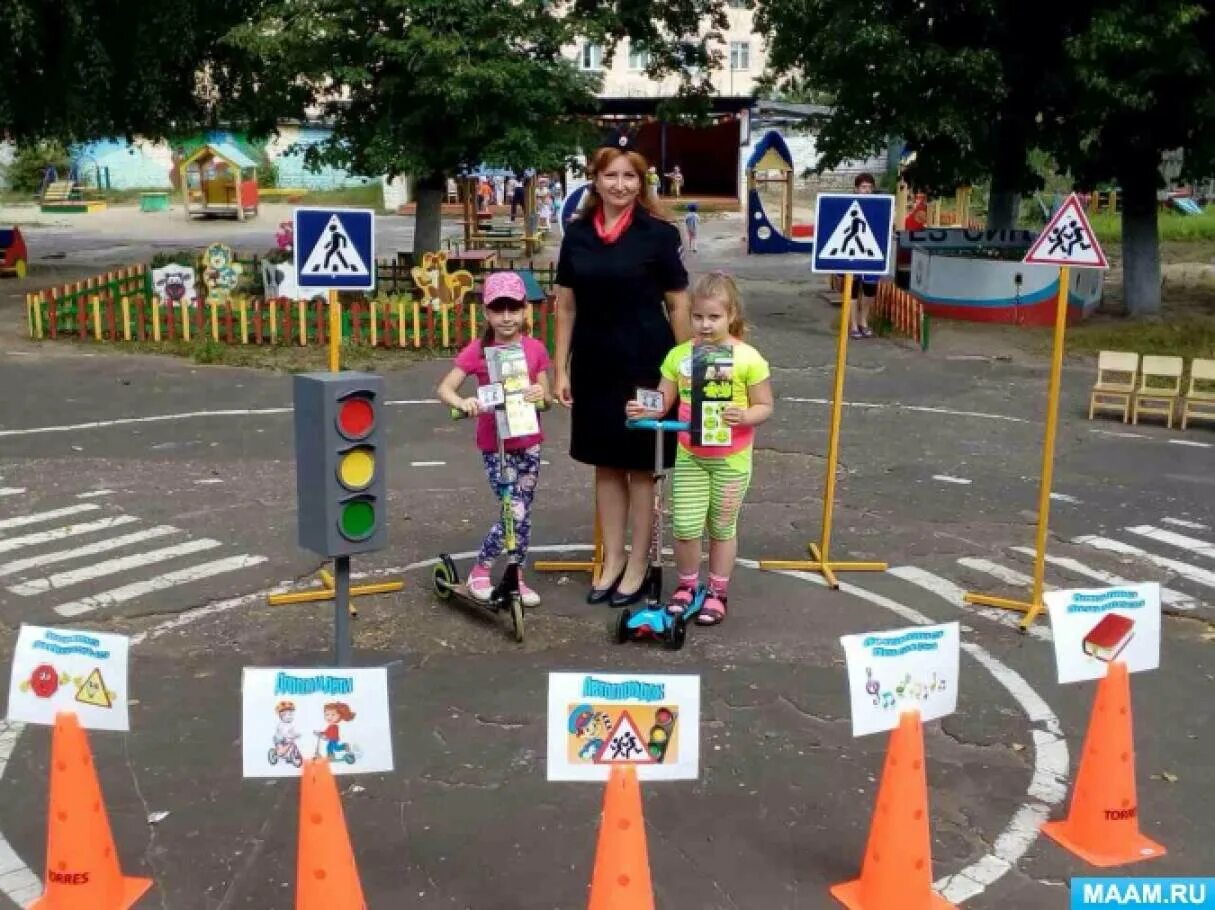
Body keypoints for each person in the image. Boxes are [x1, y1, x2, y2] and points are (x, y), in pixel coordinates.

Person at [554, 141, 691, 607]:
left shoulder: (658, 234)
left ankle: (637, 565)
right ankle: (611, 561)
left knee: (641, 468)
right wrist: (560, 368)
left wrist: (682, 369)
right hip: (593, 363)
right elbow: (565, 305)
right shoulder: (576, 235)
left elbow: (677, 302)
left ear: (641, 183)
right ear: (594, 180)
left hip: (647, 364)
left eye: (629, 177)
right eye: (610, 176)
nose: (620, 185)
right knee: (606, 464)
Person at [626, 272, 773, 625]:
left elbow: (765, 405)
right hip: (691, 456)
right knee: (686, 527)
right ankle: (687, 586)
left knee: (722, 527)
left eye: (714, 317)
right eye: (698, 317)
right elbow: (663, 401)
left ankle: (718, 591)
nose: (705, 325)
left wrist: (745, 415)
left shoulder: (748, 358)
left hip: (731, 460)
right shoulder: (680, 356)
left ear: (732, 315)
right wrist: (643, 408)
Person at [437, 271, 552, 606]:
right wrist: (463, 402)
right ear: (486, 312)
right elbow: (445, 388)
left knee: (523, 512)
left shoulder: (534, 350)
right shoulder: (478, 350)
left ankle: (516, 575)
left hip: (529, 442)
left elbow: (546, 398)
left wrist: (538, 394)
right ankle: (481, 570)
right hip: (496, 446)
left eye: (513, 308)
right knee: (512, 510)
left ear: (524, 310)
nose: (506, 317)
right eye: (498, 309)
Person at [848, 172, 880, 339]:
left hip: (871, 254)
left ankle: (863, 321)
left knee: (869, 289)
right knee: (852, 290)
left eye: (869, 187)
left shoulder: (879, 206)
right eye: (863, 187)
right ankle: (853, 324)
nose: (866, 190)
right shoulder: (849, 205)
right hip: (853, 253)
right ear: (856, 189)